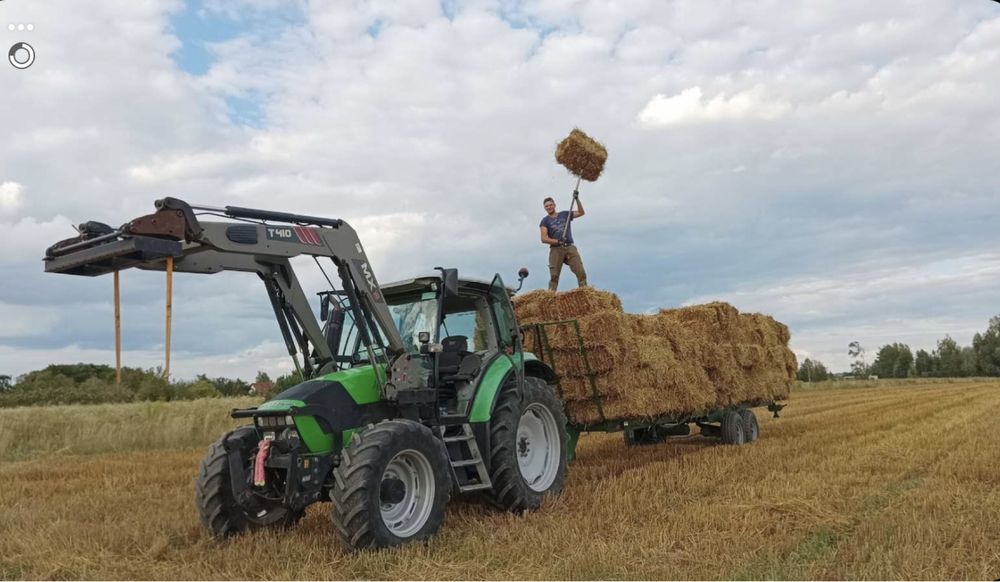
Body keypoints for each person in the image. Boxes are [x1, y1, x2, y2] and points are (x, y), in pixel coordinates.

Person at [539, 192, 587, 291]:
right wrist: (557, 241)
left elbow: (581, 212)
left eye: (550, 205)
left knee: (580, 271)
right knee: (554, 277)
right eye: (546, 206)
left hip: (569, 247)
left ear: (554, 205)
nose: (549, 207)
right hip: (556, 249)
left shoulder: (565, 214)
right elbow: (543, 239)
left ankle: (585, 293)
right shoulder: (545, 221)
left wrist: (577, 199)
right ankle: (550, 298)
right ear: (545, 208)